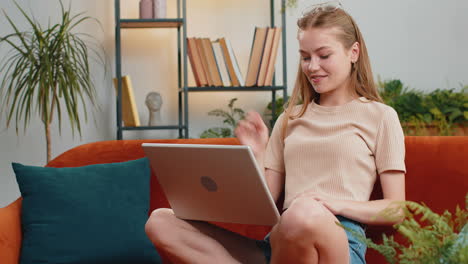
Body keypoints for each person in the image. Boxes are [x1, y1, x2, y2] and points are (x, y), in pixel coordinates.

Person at [144, 2, 406, 263]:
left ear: (354, 52)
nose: (312, 66)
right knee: (160, 222)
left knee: (303, 212)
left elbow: (396, 209)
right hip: (281, 243)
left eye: (324, 55)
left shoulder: (381, 117)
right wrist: (256, 152)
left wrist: (333, 205)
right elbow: (266, 201)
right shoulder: (290, 117)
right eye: (305, 57)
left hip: (339, 243)